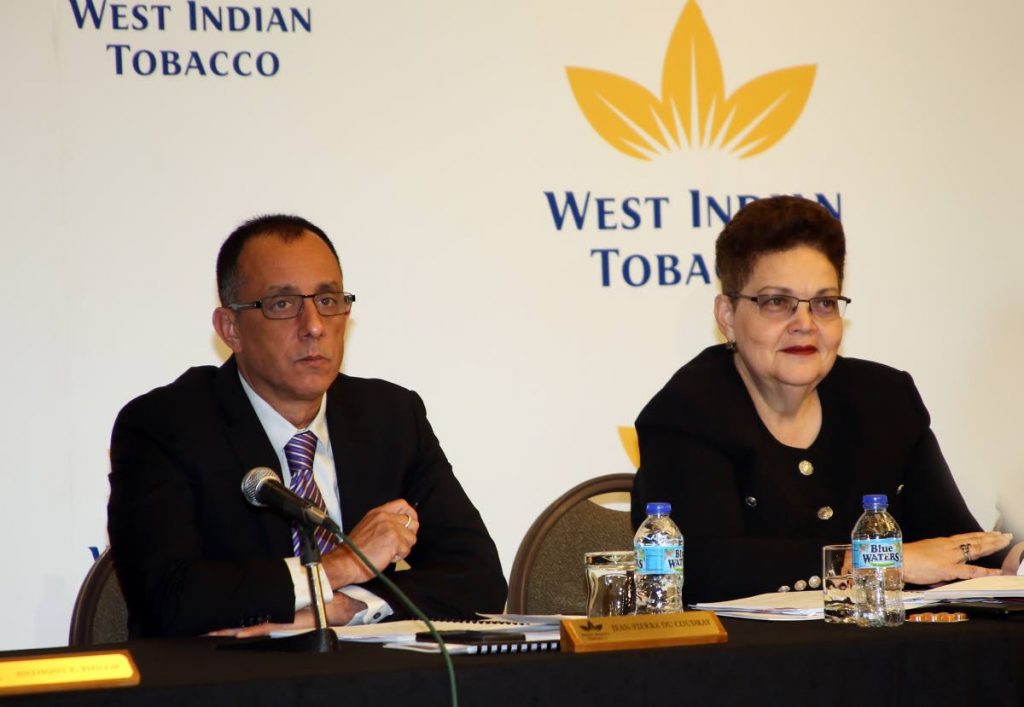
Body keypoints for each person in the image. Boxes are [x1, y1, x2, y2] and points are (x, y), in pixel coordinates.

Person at [108, 215, 507, 637]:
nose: (314, 326)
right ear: (231, 329)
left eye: (328, 301)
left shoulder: (390, 416)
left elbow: (477, 576)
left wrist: (341, 609)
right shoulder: (165, 427)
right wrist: (342, 566)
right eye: (282, 305)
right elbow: (168, 599)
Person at [631, 196, 1023, 604]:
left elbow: (957, 543)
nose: (805, 324)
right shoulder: (686, 413)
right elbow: (701, 567)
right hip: (743, 662)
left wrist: (1015, 559)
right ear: (727, 315)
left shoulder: (886, 399)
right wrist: (883, 562)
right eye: (777, 302)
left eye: (823, 303)